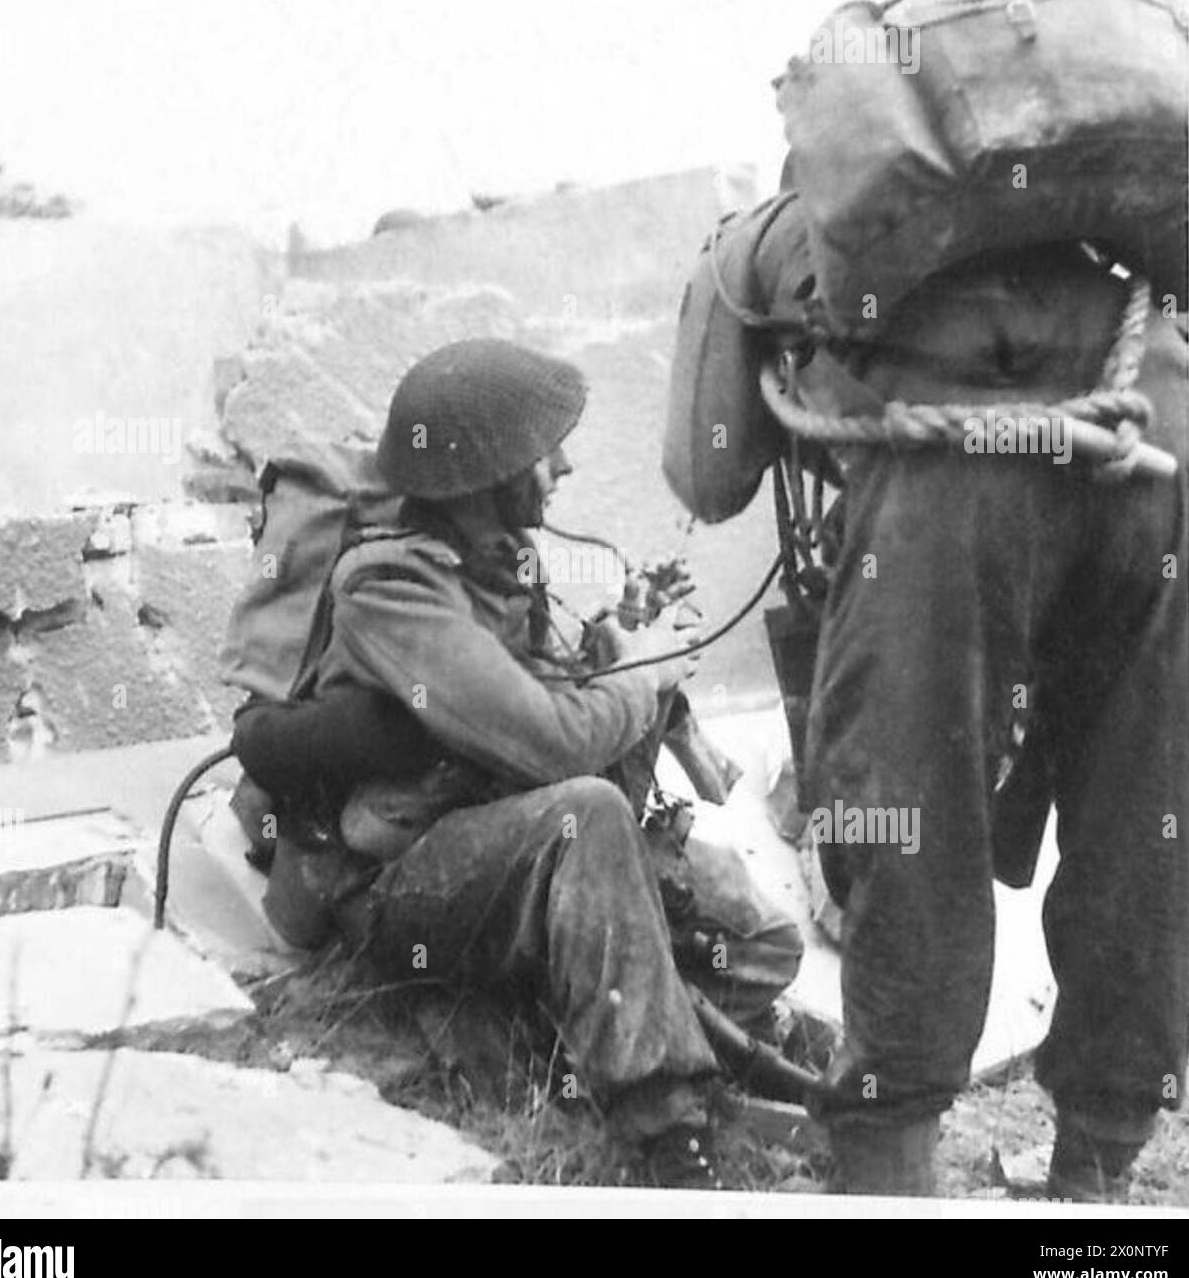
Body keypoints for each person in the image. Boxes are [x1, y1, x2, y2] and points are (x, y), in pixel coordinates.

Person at [257, 337, 798, 1186]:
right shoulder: (390, 587)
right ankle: (666, 1131)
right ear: (485, 471)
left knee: (762, 941)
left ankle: (570, 1031)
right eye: (546, 453)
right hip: (402, 884)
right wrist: (648, 671)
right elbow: (545, 742)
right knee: (587, 812)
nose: (566, 467)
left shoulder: (504, 563)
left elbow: (558, 697)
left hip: (516, 859)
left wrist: (621, 632)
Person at [773, 244, 1189, 1201]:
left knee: (900, 797)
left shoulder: (809, 241)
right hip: (1166, 433)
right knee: (1146, 807)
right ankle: (1095, 1177)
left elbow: (705, 478)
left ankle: (891, 1175)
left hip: (968, 449)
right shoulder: (1121, 251)